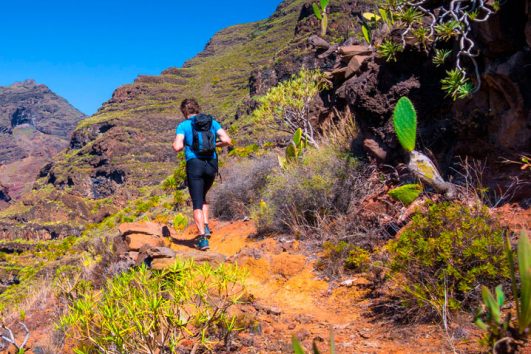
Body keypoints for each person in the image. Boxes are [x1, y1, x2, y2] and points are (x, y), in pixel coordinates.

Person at [172, 98, 232, 250]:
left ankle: (202, 238)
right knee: (203, 195)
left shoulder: (183, 125)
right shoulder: (212, 122)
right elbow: (227, 140)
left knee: (197, 201)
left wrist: (185, 144)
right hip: (211, 165)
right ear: (197, 109)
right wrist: (213, 145)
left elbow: (177, 147)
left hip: (195, 165)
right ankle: (205, 226)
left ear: (184, 112)